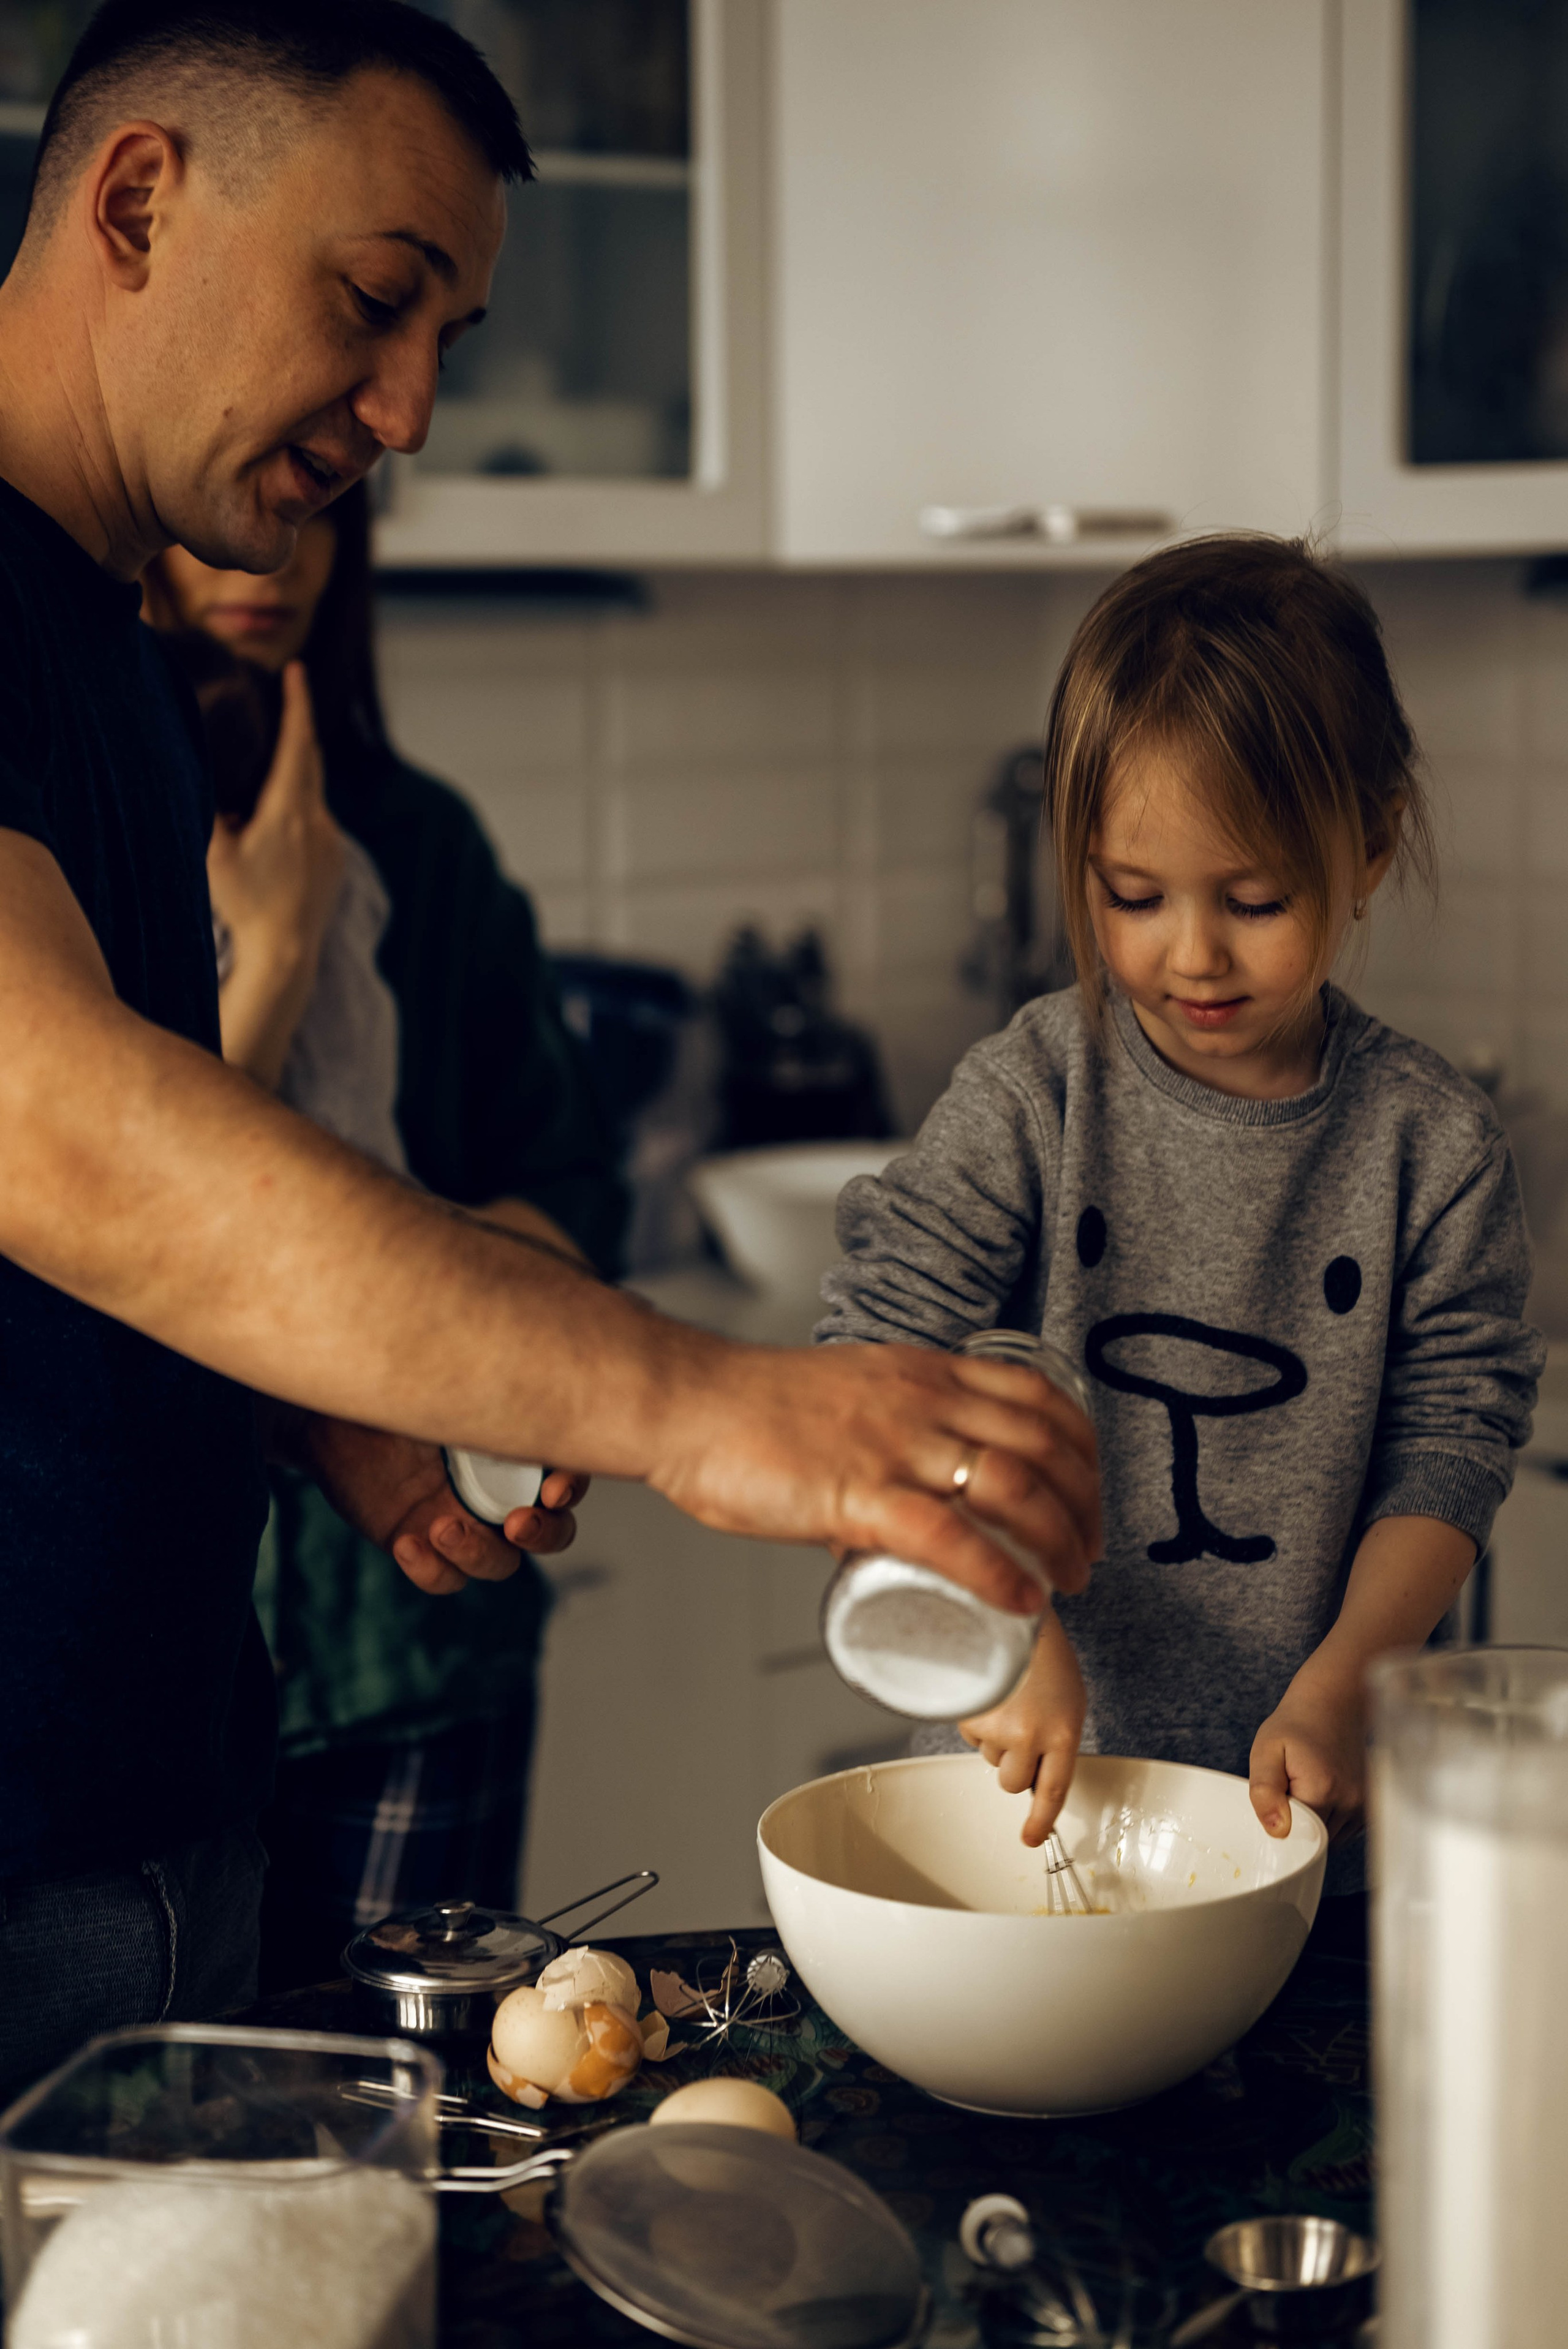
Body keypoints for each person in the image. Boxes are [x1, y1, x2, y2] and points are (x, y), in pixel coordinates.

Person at [0, 0, 1098, 2098]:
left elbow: (97, 1237)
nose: (405, 410)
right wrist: (705, 1404)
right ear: (140, 198)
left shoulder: (106, 642)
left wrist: (315, 1397)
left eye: (445, 342)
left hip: (147, 1805)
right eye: (375, 298)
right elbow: (64, 1138)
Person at [820, 534, 1544, 1919]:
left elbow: (1452, 1439)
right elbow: (874, 1360)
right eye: (1130, 896)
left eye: (1253, 899)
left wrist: (1352, 1677)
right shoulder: (1033, 1094)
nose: (1190, 954)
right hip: (1022, 1816)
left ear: (1371, 844)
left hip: (1299, 1833)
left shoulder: (1427, 1143)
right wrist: (999, 1620)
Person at [145, 481, 625, 1985]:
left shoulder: (424, 847)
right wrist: (274, 962)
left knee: (405, 2128)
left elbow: (568, 1192)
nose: (277, 554)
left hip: (419, 1651)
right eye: (237, 506)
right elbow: (130, 1223)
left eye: (325, 513)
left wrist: (424, 1304)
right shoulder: (85, 835)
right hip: (151, 1677)